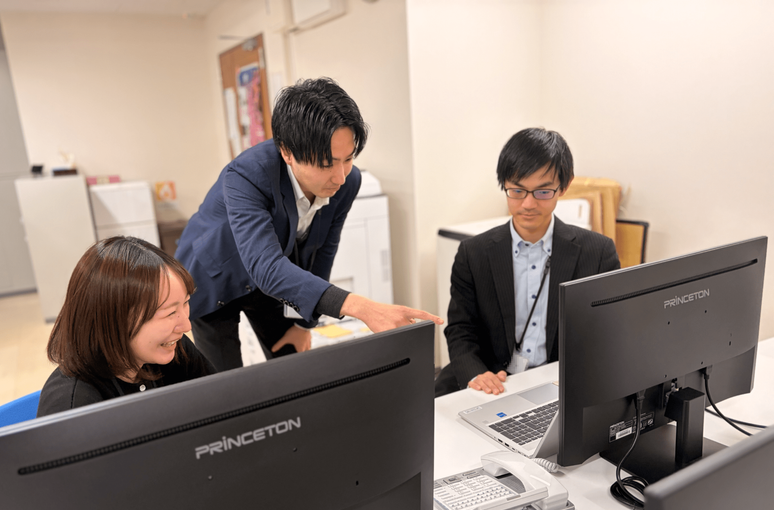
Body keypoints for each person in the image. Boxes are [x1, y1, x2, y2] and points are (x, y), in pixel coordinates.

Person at [175, 77, 441, 372]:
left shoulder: (348, 181)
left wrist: (305, 323)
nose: (340, 176)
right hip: (216, 274)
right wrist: (364, 308)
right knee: (225, 381)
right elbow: (266, 267)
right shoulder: (246, 175)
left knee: (294, 365)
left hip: (272, 277)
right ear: (287, 152)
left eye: (348, 158)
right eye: (326, 163)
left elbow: (324, 248)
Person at [435, 127, 621, 397]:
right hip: (493, 381)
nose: (528, 204)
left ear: (564, 186)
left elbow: (605, 333)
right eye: (517, 190)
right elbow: (461, 329)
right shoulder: (473, 253)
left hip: (559, 382)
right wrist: (476, 375)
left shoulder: (598, 252)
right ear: (504, 185)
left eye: (543, 192)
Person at [38, 236, 216, 416]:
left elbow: (220, 405)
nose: (186, 326)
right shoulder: (74, 407)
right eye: (169, 313)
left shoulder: (174, 350)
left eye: (186, 303)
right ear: (115, 320)